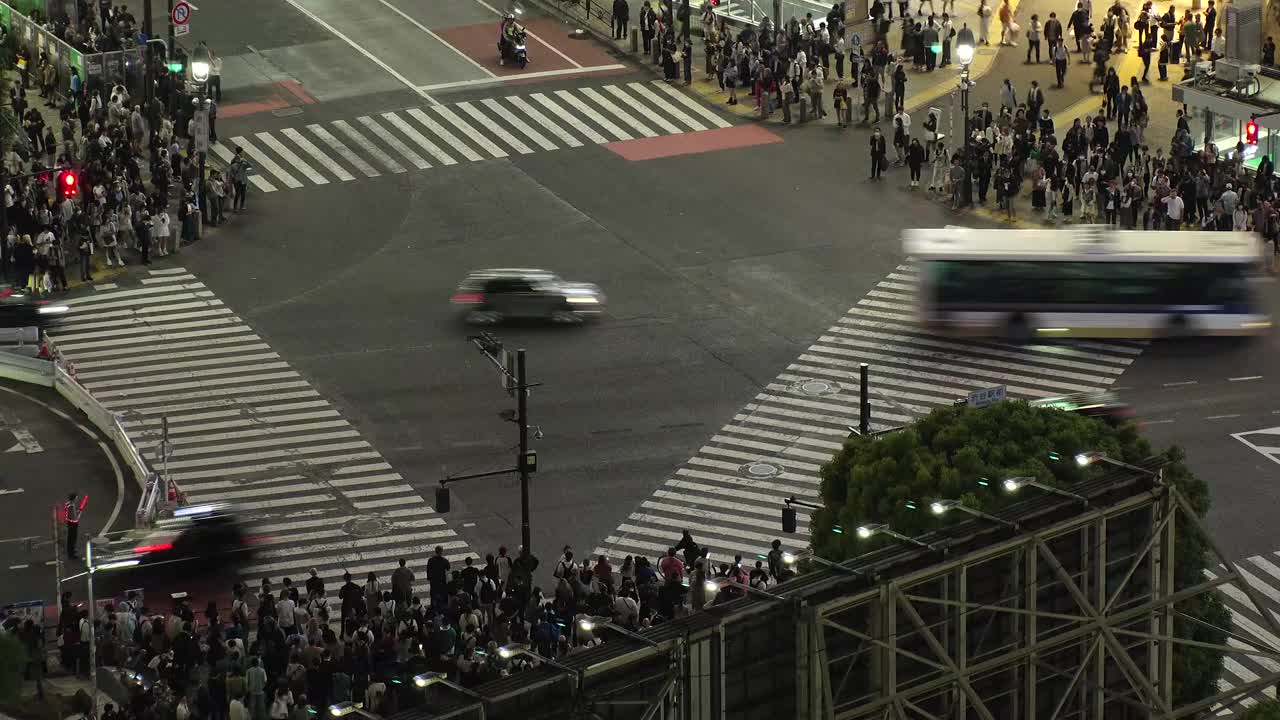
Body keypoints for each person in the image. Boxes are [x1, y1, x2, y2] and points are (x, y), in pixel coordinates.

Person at [63, 493, 80, 559]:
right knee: (73, 538)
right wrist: (79, 514)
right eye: (76, 498)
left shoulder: (67, 504)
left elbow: (69, 513)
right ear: (74, 498)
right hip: (73, 524)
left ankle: (70, 551)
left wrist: (76, 511)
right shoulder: (72, 505)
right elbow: (75, 518)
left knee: (70, 538)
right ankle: (71, 554)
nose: (77, 499)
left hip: (69, 522)